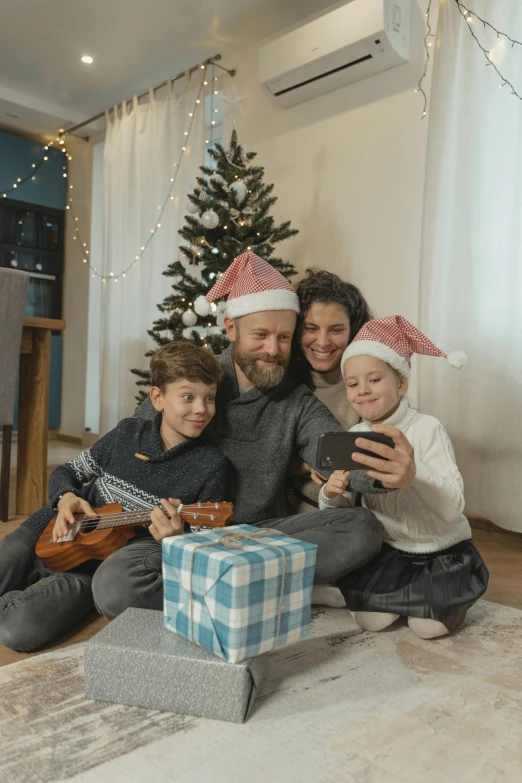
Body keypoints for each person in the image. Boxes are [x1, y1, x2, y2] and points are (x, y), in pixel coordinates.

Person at [136, 252, 413, 603]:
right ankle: (251, 586)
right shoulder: (192, 378)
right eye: (261, 335)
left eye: (284, 337)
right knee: (115, 586)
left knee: (361, 528)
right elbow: (127, 441)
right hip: (181, 533)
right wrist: (70, 491)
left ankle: (223, 585)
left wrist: (386, 471)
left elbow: (333, 451)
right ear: (231, 328)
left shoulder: (296, 399)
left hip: (257, 539)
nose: (272, 349)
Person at [0, 342, 227, 652]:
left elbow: (205, 553)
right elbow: (67, 471)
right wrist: (65, 497)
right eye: (188, 397)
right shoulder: (127, 434)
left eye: (210, 397)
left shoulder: (211, 466)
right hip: (50, 528)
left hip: (90, 567)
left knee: (18, 631)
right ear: (157, 398)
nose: (202, 409)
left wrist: (175, 542)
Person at [319, 315, 489, 639]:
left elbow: (453, 507)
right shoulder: (354, 435)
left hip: (442, 552)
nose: (362, 391)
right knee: (370, 621)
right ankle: (398, 596)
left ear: (401, 384)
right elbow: (341, 514)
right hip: (392, 552)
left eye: (374, 380)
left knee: (428, 628)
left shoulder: (427, 428)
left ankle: (446, 600)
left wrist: (414, 474)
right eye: (353, 384)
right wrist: (331, 493)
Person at [287, 269, 373, 513]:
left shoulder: (369, 388)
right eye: (311, 328)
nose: (322, 342)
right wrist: (305, 465)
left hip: (350, 516)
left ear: (353, 331)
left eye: (336, 330)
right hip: (288, 516)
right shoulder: (284, 384)